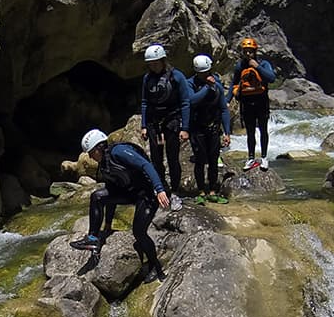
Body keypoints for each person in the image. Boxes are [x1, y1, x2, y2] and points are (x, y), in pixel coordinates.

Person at [68, 129, 173, 283]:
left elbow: (146, 165)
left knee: (139, 232)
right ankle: (92, 238)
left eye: (91, 152)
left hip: (148, 193)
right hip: (131, 193)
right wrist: (108, 225)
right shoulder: (104, 164)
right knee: (97, 196)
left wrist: (160, 189)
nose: (90, 156)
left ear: (99, 147)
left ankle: (155, 268)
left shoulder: (119, 152)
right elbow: (112, 194)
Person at [139, 43, 191, 201]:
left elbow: (185, 102)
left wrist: (185, 128)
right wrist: (143, 125)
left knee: (172, 157)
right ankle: (160, 187)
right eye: (150, 64)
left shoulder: (177, 77)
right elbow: (145, 102)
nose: (153, 67)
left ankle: (175, 189)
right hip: (154, 123)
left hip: (172, 121)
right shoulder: (147, 78)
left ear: (163, 60)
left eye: (155, 63)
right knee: (156, 157)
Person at [187, 54, 232, 204]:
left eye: (207, 72)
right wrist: (207, 87)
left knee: (213, 160)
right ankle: (201, 191)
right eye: (202, 73)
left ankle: (212, 190)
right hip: (197, 128)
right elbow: (192, 101)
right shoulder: (190, 84)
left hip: (212, 128)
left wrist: (227, 132)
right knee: (200, 160)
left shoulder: (217, 85)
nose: (205, 75)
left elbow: (223, 109)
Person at [229, 37, 277, 171]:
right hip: (247, 103)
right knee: (250, 132)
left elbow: (271, 78)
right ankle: (250, 158)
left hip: (261, 102)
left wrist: (257, 67)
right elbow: (234, 83)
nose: (248, 54)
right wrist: (227, 100)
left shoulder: (263, 63)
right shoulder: (240, 66)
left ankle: (264, 157)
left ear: (255, 51)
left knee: (263, 130)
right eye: (246, 51)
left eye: (250, 51)